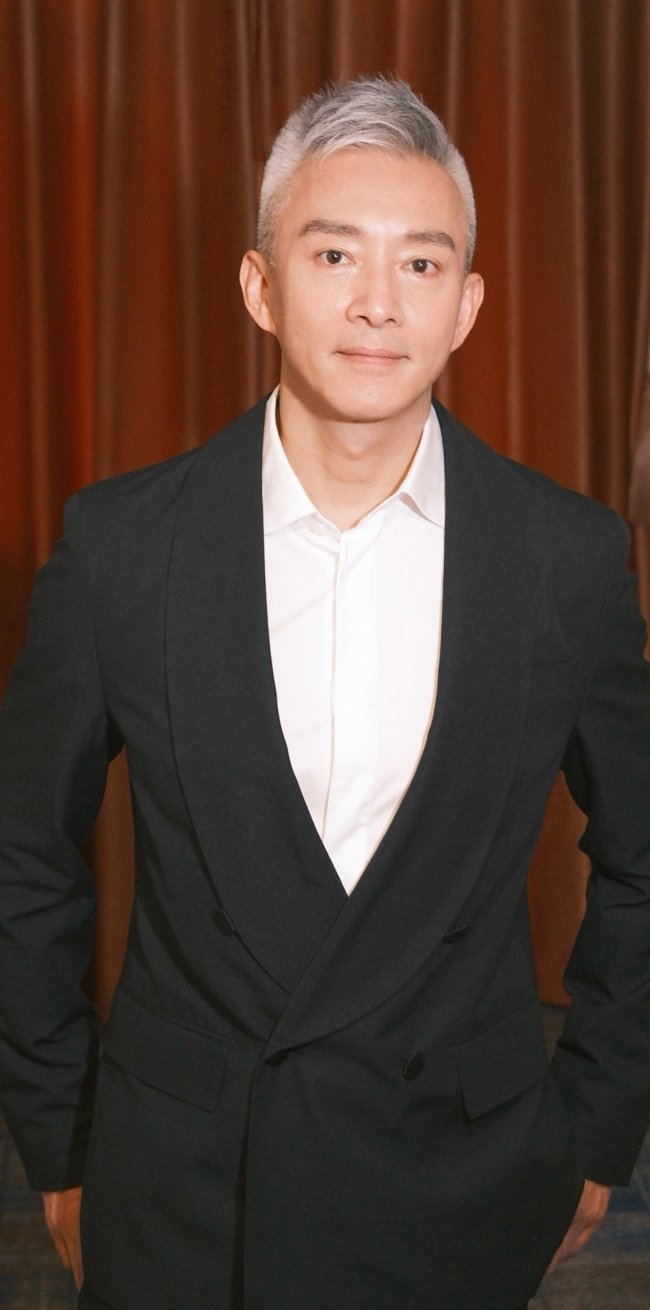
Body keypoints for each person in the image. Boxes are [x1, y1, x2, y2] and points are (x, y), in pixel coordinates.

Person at [0, 75, 649, 1310]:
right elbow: (21, 855)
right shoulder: (121, 550)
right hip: (183, 1191)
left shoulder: (566, 561)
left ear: (465, 305)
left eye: (420, 264)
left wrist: (598, 1116)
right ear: (260, 285)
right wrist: (62, 1137)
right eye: (335, 253)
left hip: (463, 1175)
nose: (375, 302)